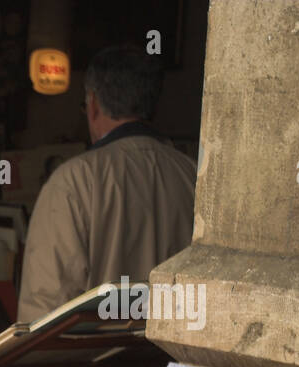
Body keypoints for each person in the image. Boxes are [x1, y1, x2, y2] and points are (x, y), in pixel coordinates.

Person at [16, 46, 196, 326]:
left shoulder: (73, 182)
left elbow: (44, 316)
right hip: (179, 365)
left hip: (97, 365)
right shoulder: (194, 174)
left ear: (93, 104)